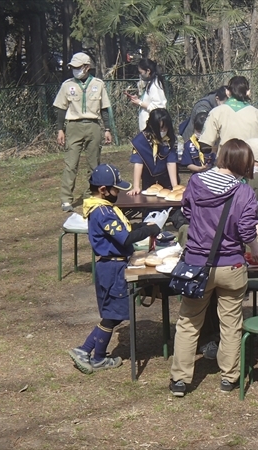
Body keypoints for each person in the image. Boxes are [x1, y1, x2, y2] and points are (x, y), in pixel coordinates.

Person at [169, 139, 258, 397]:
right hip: (232, 266)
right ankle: (229, 377)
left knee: (188, 322)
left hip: (196, 264)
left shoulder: (196, 182)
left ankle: (180, 380)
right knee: (231, 323)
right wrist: (255, 248)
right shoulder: (244, 192)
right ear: (245, 163)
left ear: (222, 157)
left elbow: (186, 212)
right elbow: (246, 230)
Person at [67, 164, 161, 374]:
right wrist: (149, 229)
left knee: (114, 313)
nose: (118, 193)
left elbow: (124, 229)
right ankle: (87, 351)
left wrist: (142, 227)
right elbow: (125, 237)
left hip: (114, 264)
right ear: (103, 190)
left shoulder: (103, 208)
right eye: (115, 189)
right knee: (113, 314)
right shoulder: (102, 212)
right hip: (113, 267)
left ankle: (95, 354)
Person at [53, 52, 113, 212]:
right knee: (71, 164)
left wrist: (107, 129)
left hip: (94, 125)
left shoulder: (99, 84)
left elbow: (105, 108)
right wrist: (60, 129)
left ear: (87, 67)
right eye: (73, 67)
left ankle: (90, 195)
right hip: (73, 126)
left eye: (78, 67)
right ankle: (66, 199)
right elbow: (60, 108)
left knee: (94, 165)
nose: (75, 70)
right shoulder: (67, 85)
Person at [199, 76, 258, 156]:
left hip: (225, 165)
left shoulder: (216, 112)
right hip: (251, 165)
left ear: (227, 92)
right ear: (248, 93)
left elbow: (204, 146)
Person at [128, 108, 179, 195]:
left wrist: (175, 187)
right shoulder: (141, 141)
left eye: (166, 128)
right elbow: (138, 163)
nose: (163, 131)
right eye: (160, 128)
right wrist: (136, 186)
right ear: (152, 126)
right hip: (148, 179)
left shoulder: (170, 139)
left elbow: (171, 162)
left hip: (167, 178)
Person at [128, 58, 167, 131]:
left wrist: (139, 102)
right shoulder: (150, 83)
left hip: (152, 127)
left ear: (148, 71)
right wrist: (138, 100)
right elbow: (149, 102)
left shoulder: (155, 85)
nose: (140, 75)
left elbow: (158, 107)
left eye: (141, 72)